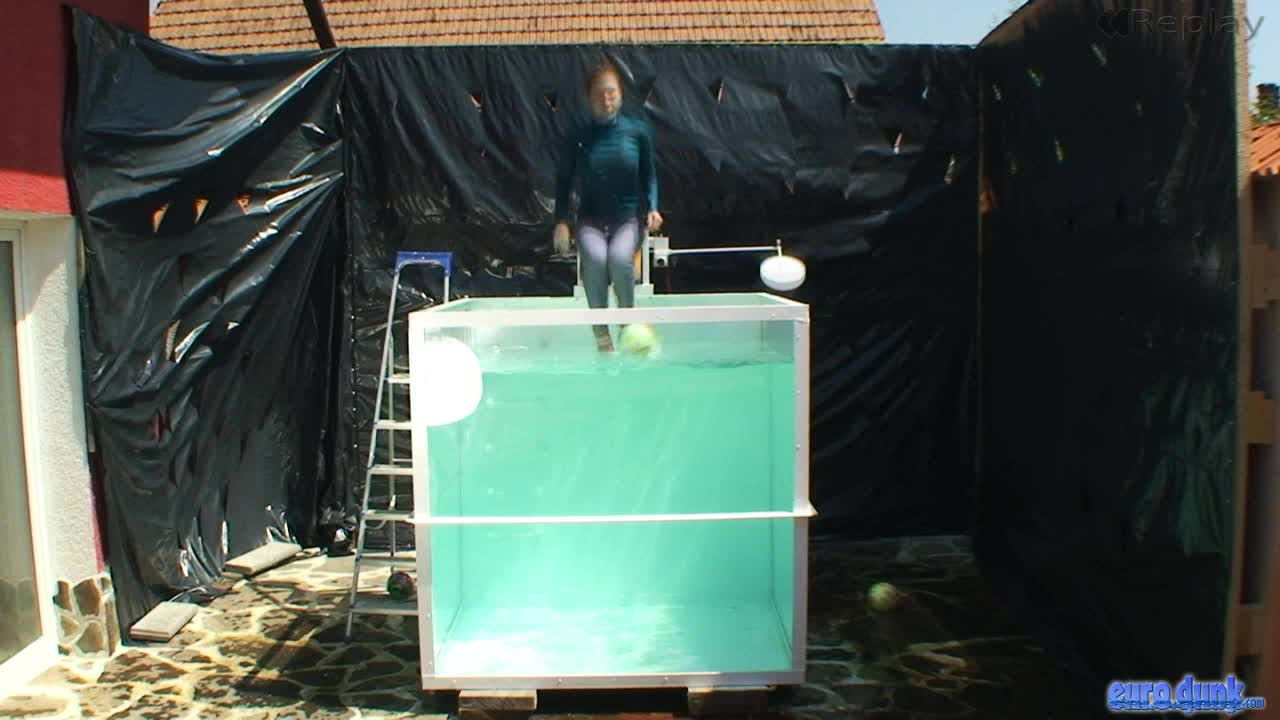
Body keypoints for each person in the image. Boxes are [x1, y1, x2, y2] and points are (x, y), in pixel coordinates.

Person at [553, 60, 663, 352]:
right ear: (589, 99)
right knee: (596, 259)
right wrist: (561, 221)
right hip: (590, 221)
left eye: (611, 93)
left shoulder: (637, 132)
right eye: (599, 94)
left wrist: (653, 208)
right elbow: (563, 182)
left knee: (618, 258)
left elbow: (649, 175)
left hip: (628, 219)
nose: (606, 100)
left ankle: (628, 328)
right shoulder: (578, 137)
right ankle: (601, 336)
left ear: (621, 94)